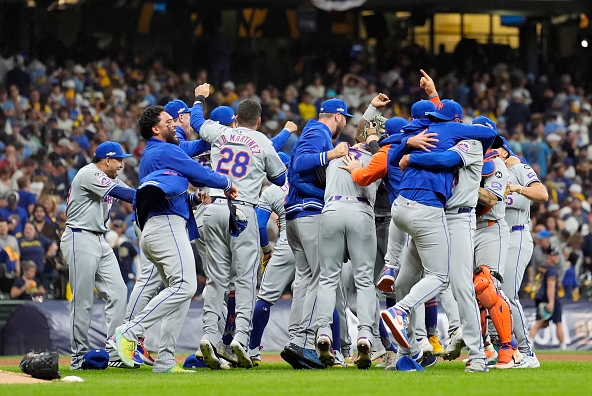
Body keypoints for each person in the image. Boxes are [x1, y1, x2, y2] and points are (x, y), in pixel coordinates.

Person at [114, 105, 237, 373]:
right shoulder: (165, 150)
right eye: (168, 122)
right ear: (155, 129)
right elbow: (199, 173)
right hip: (166, 225)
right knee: (185, 285)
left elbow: (168, 188)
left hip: (159, 225)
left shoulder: (154, 154)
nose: (173, 125)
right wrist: (226, 184)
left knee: (179, 292)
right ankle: (129, 331)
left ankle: (166, 361)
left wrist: (193, 198)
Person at [190, 84, 287, 369]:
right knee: (245, 280)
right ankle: (240, 340)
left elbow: (197, 122)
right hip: (242, 209)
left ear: (236, 117)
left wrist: (199, 98)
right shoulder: (263, 141)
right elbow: (280, 179)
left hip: (212, 208)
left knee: (216, 279)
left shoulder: (221, 133)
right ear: (257, 120)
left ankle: (209, 336)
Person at [279, 98, 350, 370]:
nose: (344, 123)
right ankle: (305, 343)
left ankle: (297, 340)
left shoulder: (315, 132)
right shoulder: (318, 131)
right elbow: (300, 166)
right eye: (345, 118)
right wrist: (330, 155)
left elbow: (296, 175)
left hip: (297, 215)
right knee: (321, 277)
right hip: (308, 215)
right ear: (338, 117)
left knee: (306, 278)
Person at [60, 141, 136, 370]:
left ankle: (114, 353)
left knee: (119, 291)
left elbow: (135, 196)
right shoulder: (89, 173)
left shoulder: (109, 177)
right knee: (83, 300)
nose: (122, 163)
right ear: (107, 160)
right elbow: (124, 193)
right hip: (78, 236)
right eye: (119, 159)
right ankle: (78, 356)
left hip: (100, 240)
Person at [495, 135, 548, 369]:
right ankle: (500, 349)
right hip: (497, 238)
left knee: (508, 294)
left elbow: (542, 194)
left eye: (493, 150)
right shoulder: (489, 171)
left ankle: (528, 353)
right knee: (491, 293)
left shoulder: (518, 167)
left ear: (504, 152)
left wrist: (518, 187)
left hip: (517, 235)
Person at [528, 246, 566, 350]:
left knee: (542, 322)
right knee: (557, 322)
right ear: (548, 255)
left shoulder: (543, 267)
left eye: (557, 254)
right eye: (554, 254)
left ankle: (529, 340)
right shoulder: (552, 269)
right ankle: (563, 346)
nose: (556, 257)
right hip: (549, 298)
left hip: (541, 297)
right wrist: (551, 302)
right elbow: (551, 286)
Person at [18, 221, 58, 293]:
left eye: (30, 228)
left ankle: (43, 293)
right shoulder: (19, 240)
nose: (27, 230)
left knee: (55, 274)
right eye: (26, 228)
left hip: (40, 269)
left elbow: (54, 246)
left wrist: (46, 256)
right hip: (25, 270)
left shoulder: (40, 239)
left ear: (34, 230)